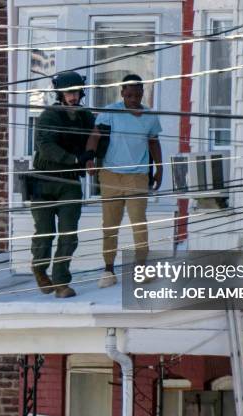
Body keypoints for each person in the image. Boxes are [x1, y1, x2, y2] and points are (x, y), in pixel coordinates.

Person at [84, 74, 163, 287]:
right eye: (129, 95)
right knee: (109, 225)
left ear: (142, 93)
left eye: (137, 94)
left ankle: (141, 268)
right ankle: (108, 270)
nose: (133, 99)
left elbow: (154, 142)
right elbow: (95, 135)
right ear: (122, 94)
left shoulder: (150, 116)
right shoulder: (110, 112)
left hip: (137, 176)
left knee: (139, 223)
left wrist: (159, 168)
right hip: (110, 174)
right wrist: (89, 158)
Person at [30, 71, 95, 298]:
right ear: (60, 93)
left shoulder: (86, 116)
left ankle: (61, 281)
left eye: (76, 92)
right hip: (43, 179)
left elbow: (95, 138)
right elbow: (45, 144)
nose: (73, 96)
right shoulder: (49, 115)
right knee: (45, 232)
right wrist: (74, 159)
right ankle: (39, 269)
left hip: (69, 181)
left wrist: (91, 157)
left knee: (69, 233)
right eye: (69, 92)